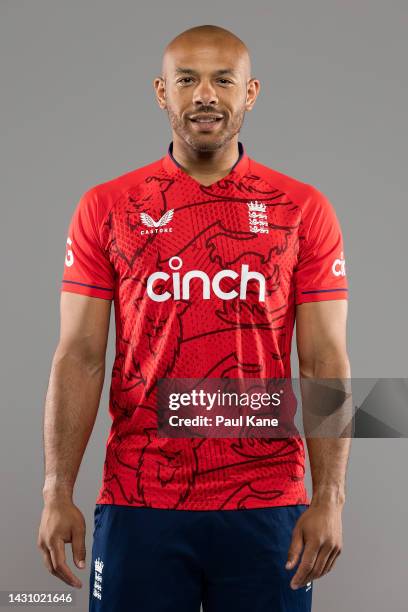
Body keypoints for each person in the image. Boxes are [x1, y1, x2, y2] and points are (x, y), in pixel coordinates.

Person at [37, 24, 351, 612]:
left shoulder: (302, 209)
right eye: (188, 79)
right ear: (163, 92)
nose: (205, 94)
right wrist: (57, 489)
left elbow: (324, 359)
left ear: (250, 93)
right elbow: (79, 354)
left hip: (267, 503)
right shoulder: (108, 207)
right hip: (139, 499)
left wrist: (330, 496)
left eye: (223, 79)